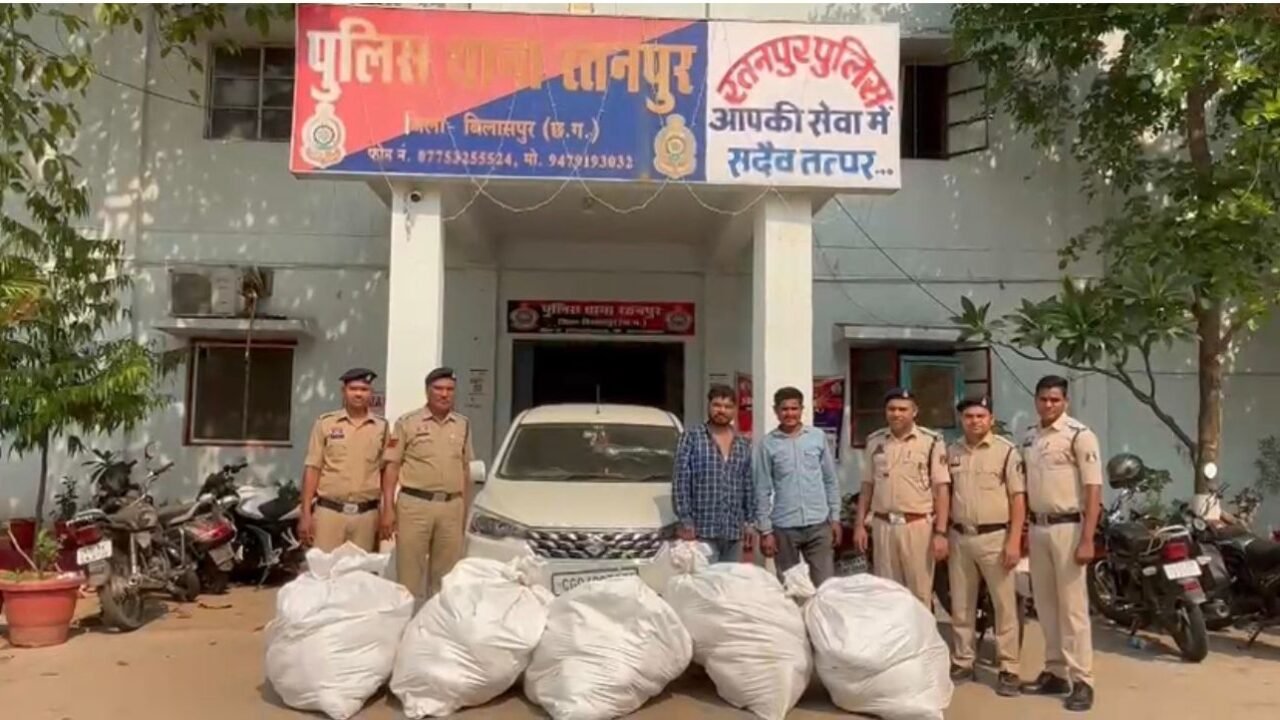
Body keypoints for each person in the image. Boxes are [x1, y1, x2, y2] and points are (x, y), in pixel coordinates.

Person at [1020, 375, 1102, 712]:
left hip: (1068, 528)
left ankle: (1082, 679)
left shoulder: (1079, 436)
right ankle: (1055, 671)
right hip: (1038, 527)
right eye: (1043, 399)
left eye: (1055, 399)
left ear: (1065, 401)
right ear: (1036, 400)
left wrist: (1087, 539)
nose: (1048, 405)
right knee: (1046, 605)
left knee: (1073, 609)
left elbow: (1093, 489)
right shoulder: (1030, 436)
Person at [945, 396, 1026, 697]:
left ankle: (1009, 667)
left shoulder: (1006, 452)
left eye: (981, 416)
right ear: (961, 420)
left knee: (1004, 605)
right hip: (960, 537)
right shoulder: (951, 451)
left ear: (991, 419)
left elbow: (1018, 499)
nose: (975, 421)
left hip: (995, 538)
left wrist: (1014, 541)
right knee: (961, 604)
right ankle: (963, 660)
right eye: (969, 416)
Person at [853, 387, 951, 608]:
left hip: (917, 526)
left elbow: (941, 490)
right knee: (887, 593)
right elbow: (867, 486)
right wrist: (859, 525)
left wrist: (941, 533)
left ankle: (922, 631)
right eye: (891, 409)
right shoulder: (875, 441)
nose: (896, 414)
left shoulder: (931, 442)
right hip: (883, 525)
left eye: (902, 409)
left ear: (914, 412)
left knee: (920, 592)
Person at [383, 367, 474, 601]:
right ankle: (405, 619)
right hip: (415, 506)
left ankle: (436, 622)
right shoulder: (407, 423)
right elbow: (392, 467)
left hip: (451, 507)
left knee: (446, 578)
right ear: (427, 391)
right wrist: (388, 509)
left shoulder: (462, 425)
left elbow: (465, 469)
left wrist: (465, 510)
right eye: (438, 389)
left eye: (450, 389)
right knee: (409, 575)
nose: (444, 394)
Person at [755, 386, 841, 587]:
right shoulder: (767, 444)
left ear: (802, 409)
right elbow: (762, 489)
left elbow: (830, 480)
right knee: (791, 588)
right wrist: (765, 531)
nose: (790, 414)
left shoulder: (817, 437)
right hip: (785, 527)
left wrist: (835, 518)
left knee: (825, 586)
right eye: (784, 409)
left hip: (818, 524)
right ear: (776, 411)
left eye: (794, 408)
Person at [297, 367, 389, 553]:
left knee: (361, 569)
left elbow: (386, 471)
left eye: (364, 389)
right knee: (325, 567)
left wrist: (387, 510)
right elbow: (313, 468)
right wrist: (305, 513)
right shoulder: (326, 424)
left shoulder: (381, 427)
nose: (358, 394)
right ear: (343, 391)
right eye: (353, 389)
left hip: (366, 515)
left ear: (370, 393)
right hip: (330, 513)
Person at [673, 384, 754, 562]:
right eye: (717, 405)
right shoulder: (692, 437)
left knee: (730, 578)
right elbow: (681, 482)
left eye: (727, 406)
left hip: (733, 531)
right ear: (709, 406)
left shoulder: (743, 444)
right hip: (701, 531)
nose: (721, 410)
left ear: (734, 410)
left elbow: (748, 485)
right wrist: (686, 521)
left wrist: (750, 523)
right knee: (705, 579)